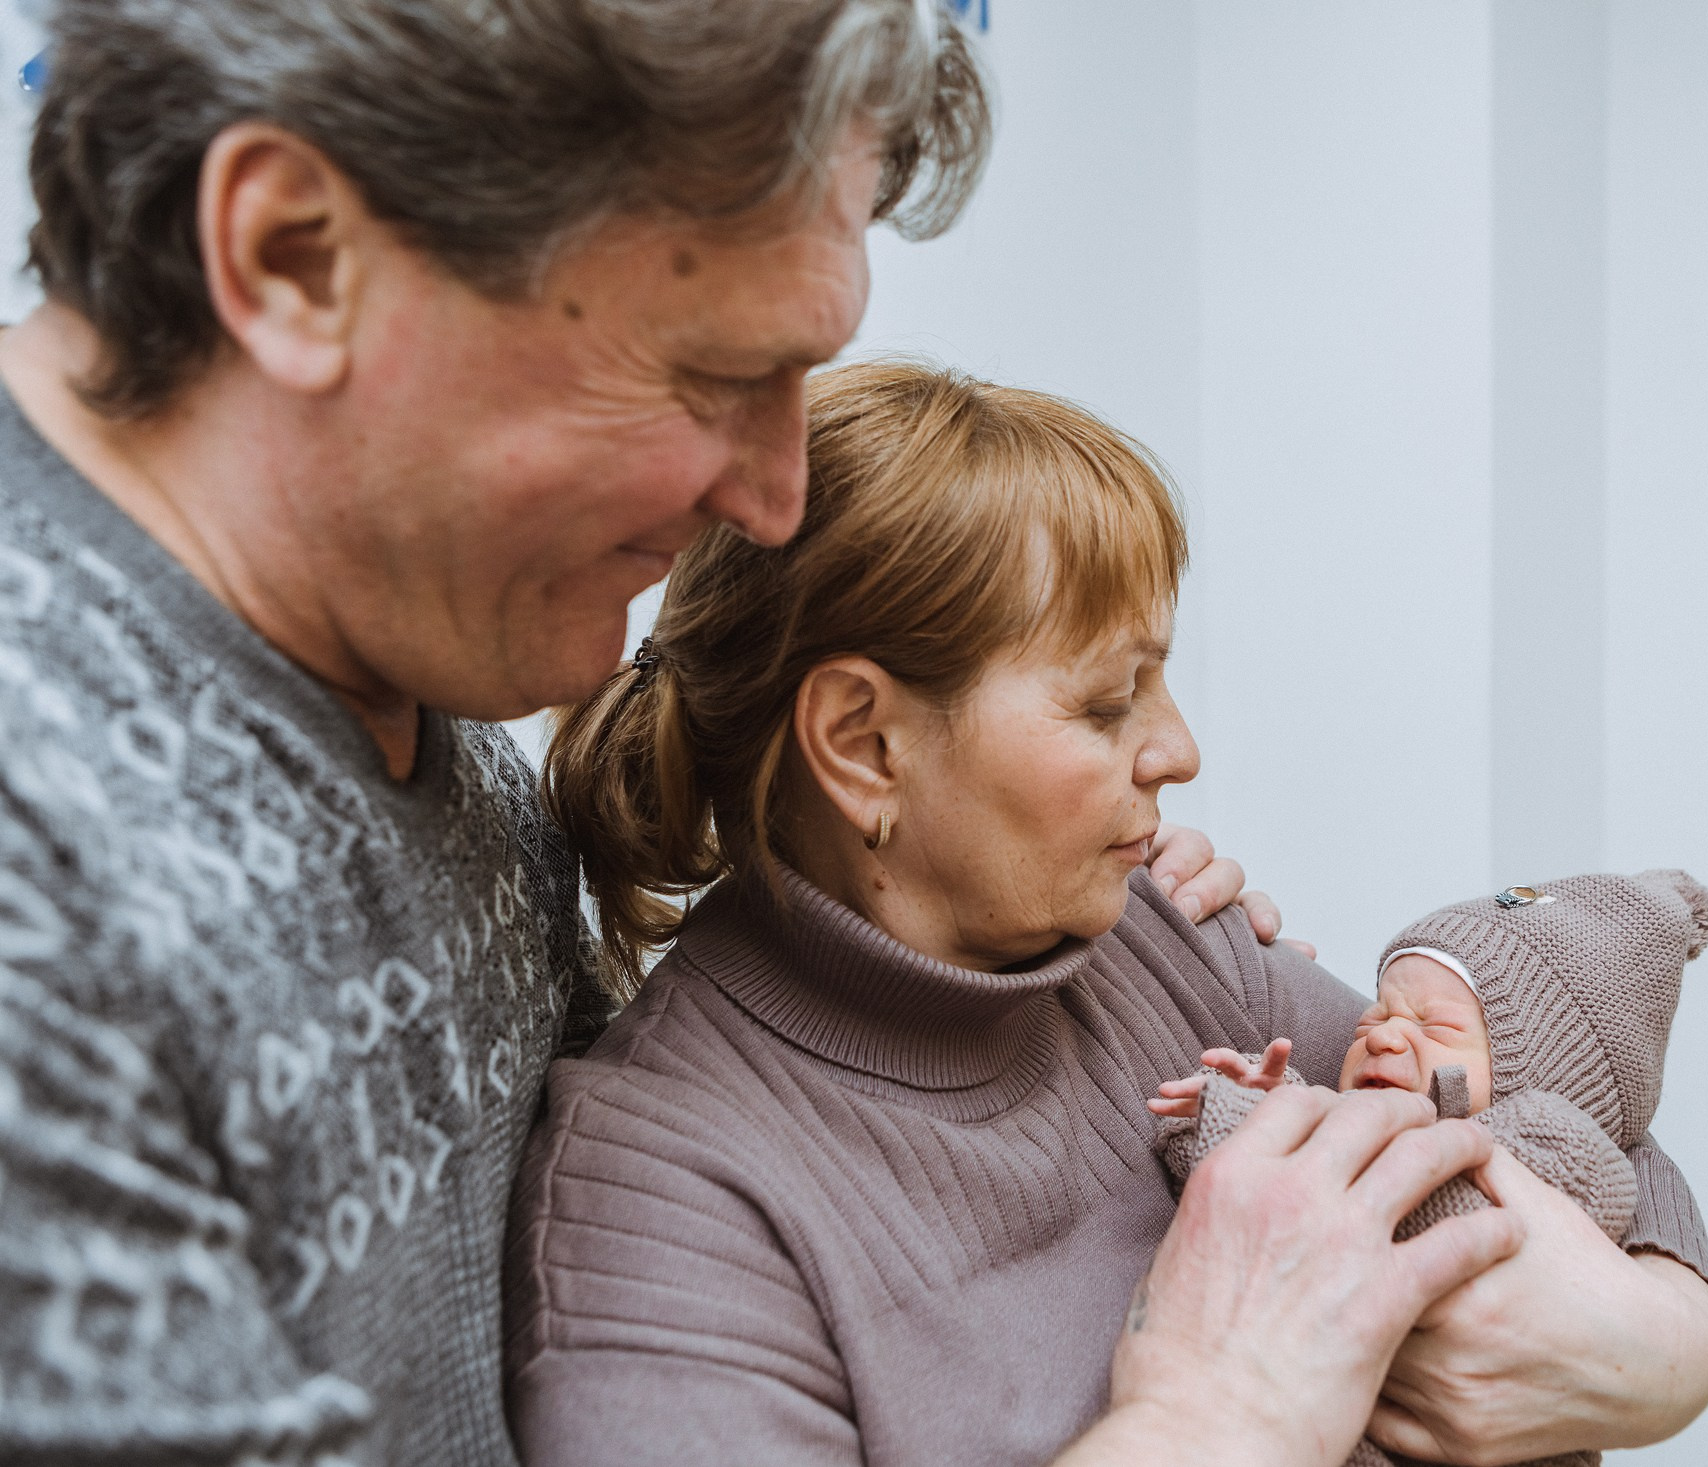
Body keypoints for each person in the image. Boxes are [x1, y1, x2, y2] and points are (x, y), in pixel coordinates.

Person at [0, 6, 1275, 1466]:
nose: (775, 497)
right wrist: (1223, 1410)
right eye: (715, 373)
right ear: (296, 255)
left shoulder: (427, 672)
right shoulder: (35, 882)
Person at [505, 361, 1708, 1467]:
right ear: (863, 745)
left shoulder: (1161, 941)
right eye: (1106, 704)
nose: (1180, 751)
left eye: (1161, 681)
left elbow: (1561, 1098)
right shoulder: (655, 1205)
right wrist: (1226, 1412)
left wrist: (1660, 1349)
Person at [1153, 870, 1708, 1467]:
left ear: (1542, 1075)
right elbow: (1222, 1184)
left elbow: (1418, 1204)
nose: (1383, 1039)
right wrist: (1253, 1106)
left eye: (1436, 1028)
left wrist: (1275, 1125)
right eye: (1373, 1020)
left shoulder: (1561, 1153)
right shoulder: (1376, 1118)